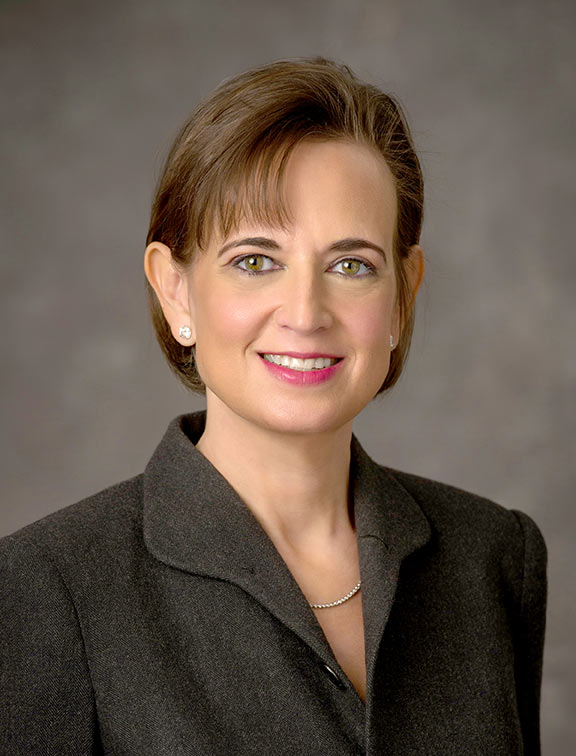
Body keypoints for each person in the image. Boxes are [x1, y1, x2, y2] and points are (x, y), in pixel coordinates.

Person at [0, 58, 547, 755]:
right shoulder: (42, 590)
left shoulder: (493, 557)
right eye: (255, 260)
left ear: (403, 297)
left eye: (351, 265)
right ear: (175, 292)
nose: (305, 313)